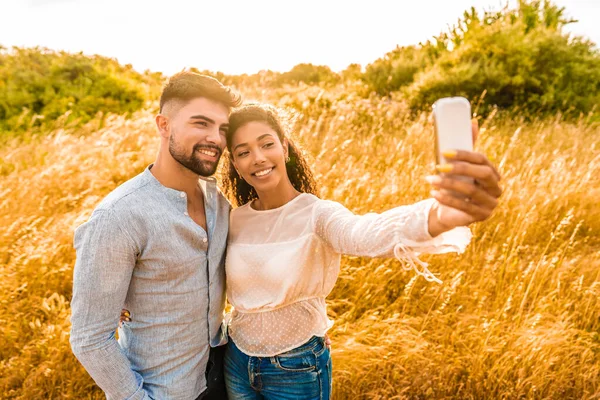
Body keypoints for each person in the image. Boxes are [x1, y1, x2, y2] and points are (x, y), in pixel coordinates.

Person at [220, 103, 502, 399]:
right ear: (236, 165)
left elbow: (364, 233)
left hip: (295, 367)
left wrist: (438, 216)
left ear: (285, 149)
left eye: (266, 144)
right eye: (243, 152)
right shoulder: (234, 219)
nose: (258, 158)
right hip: (237, 361)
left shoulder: (317, 214)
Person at [70, 71, 241, 400]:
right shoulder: (119, 216)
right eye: (201, 123)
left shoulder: (218, 201)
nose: (216, 139)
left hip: (221, 380)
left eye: (222, 129)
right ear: (163, 125)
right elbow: (89, 338)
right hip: (164, 392)